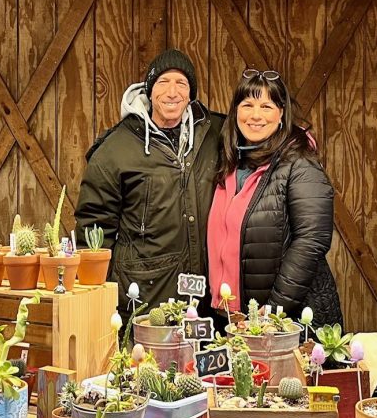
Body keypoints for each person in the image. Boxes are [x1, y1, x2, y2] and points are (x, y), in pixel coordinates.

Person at [75, 49, 224, 317]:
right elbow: (93, 227)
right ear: (149, 90)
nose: (172, 92)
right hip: (144, 293)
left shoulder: (214, 133)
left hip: (206, 296)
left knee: (195, 357)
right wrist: (103, 295)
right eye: (163, 82)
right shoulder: (116, 149)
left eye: (181, 83)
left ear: (190, 94)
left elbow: (260, 131)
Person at [207, 69, 342, 327]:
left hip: (286, 321)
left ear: (281, 113)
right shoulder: (230, 166)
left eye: (266, 106)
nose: (255, 115)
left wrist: (271, 314)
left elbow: (311, 240)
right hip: (234, 319)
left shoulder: (299, 164)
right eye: (247, 105)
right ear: (235, 112)